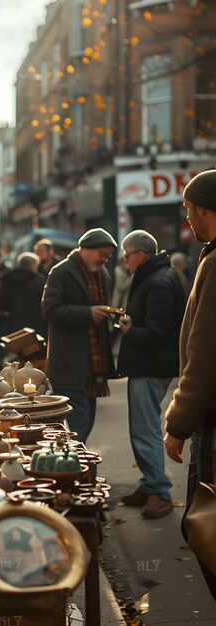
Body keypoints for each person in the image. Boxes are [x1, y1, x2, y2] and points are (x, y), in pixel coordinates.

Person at [164, 169, 216, 599]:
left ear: (203, 208)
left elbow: (203, 356)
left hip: (212, 419)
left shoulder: (214, 263)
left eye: (188, 210)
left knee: (205, 522)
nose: (187, 220)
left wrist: (178, 424)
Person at [117, 230, 186, 519]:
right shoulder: (155, 275)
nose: (124, 260)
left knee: (146, 430)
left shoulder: (158, 280)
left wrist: (129, 331)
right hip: (149, 363)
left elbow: (158, 334)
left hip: (151, 364)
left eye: (127, 254)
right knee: (142, 428)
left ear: (140, 255)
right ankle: (149, 484)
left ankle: (159, 490)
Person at [41, 228, 117, 443]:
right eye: (102, 254)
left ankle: (72, 464)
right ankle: (72, 465)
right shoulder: (61, 271)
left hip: (94, 365)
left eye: (108, 255)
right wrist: (88, 313)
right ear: (85, 250)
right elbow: (49, 309)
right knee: (80, 421)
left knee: (87, 419)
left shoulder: (103, 274)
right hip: (69, 362)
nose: (105, 259)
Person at [0, 252, 46, 337]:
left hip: (13, 326)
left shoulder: (8, 280)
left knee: (16, 349)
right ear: (32, 265)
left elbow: (1, 304)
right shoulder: (39, 282)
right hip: (35, 327)